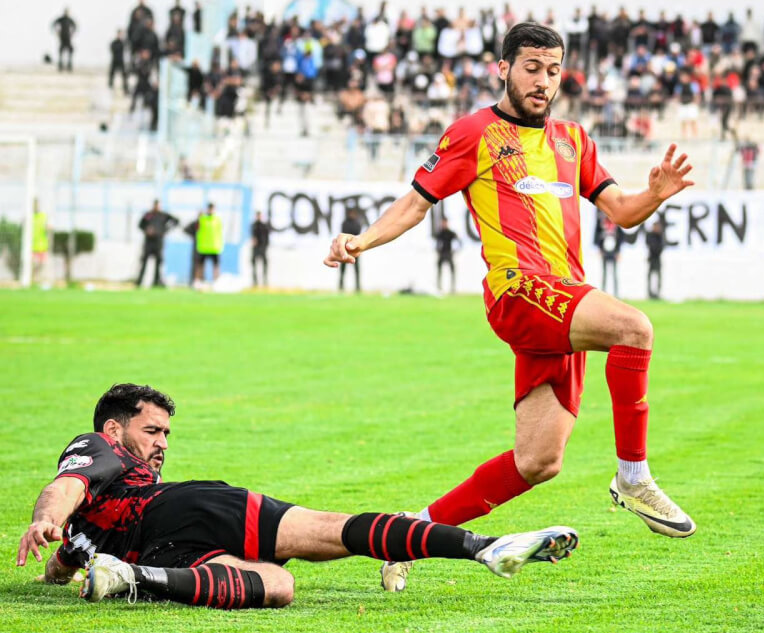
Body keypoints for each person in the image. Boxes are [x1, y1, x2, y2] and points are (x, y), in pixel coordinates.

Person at [324, 22, 697, 594]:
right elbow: (415, 203)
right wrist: (361, 241)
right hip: (518, 291)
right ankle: (634, 477)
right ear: (503, 68)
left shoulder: (574, 139)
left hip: (564, 303)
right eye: (531, 67)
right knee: (633, 328)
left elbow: (621, 210)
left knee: (538, 461)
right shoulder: (474, 133)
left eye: (553, 70)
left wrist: (656, 194)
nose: (543, 81)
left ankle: (410, 535)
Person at [16, 384, 578, 609]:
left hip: (151, 553)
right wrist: (46, 518)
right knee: (327, 530)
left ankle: (133, 583)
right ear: (114, 431)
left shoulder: (86, 530)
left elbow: (65, 559)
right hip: (180, 510)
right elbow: (64, 489)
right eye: (152, 432)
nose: (161, 444)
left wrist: (55, 555)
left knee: (278, 587)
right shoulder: (97, 448)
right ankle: (480, 546)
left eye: (166, 434)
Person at [136, 199, 178, 288]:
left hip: (158, 242)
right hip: (148, 242)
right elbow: (140, 225)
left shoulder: (163, 215)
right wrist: (146, 230)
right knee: (144, 261)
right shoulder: (148, 215)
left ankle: (156, 281)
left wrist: (165, 230)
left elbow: (176, 221)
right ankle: (139, 281)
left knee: (158, 263)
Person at [594, 215, 623, 297]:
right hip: (604, 251)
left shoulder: (617, 224)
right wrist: (599, 249)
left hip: (614, 252)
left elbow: (621, 238)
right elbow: (597, 236)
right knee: (604, 273)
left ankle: (616, 294)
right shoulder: (601, 223)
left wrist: (618, 251)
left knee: (614, 273)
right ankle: (603, 293)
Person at [195, 202, 223, 284]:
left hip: (214, 247)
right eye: (209, 208)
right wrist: (198, 217)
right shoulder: (202, 219)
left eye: (212, 208)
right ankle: (199, 282)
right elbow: (197, 229)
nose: (211, 210)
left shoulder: (218, 220)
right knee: (200, 265)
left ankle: (216, 282)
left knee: (216, 266)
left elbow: (220, 233)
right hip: (204, 247)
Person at [435, 216, 461, 294]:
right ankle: (439, 287)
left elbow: (459, 242)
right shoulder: (440, 233)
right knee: (439, 270)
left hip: (449, 253)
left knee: (452, 271)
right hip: (442, 253)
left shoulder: (451, 233)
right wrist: (438, 251)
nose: (444, 224)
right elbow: (436, 243)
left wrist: (455, 251)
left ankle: (452, 288)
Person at [338, 209, 362, 293]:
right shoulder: (345, 223)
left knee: (357, 270)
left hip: (355, 250)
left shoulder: (357, 223)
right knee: (342, 270)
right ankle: (341, 287)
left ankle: (358, 287)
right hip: (345, 250)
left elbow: (357, 234)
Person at [31, 202, 52, 285]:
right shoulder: (29, 216)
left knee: (42, 264)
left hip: (42, 245)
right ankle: (33, 279)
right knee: (33, 263)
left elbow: (49, 227)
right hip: (32, 246)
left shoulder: (43, 216)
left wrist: (48, 228)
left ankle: (39, 279)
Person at [250, 211, 271, 287]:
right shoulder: (253, 225)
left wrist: (265, 246)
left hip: (262, 247)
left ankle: (265, 279)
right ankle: (255, 281)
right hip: (255, 248)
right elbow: (252, 236)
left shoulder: (264, 226)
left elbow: (267, 237)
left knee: (264, 263)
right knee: (254, 263)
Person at [646, 220, 664, 300]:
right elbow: (649, 245)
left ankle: (658, 293)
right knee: (650, 276)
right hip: (651, 258)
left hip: (657, 258)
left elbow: (661, 247)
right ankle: (650, 293)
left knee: (658, 276)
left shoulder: (660, 236)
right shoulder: (650, 235)